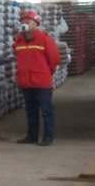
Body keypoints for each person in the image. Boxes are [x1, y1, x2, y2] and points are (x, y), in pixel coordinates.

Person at [14, 8, 60, 145]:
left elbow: (54, 59)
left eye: (28, 21)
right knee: (30, 111)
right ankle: (32, 136)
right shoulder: (19, 40)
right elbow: (17, 58)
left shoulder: (44, 39)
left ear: (36, 23)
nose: (25, 23)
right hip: (26, 82)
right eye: (23, 21)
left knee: (46, 111)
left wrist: (46, 73)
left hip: (41, 82)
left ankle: (48, 137)